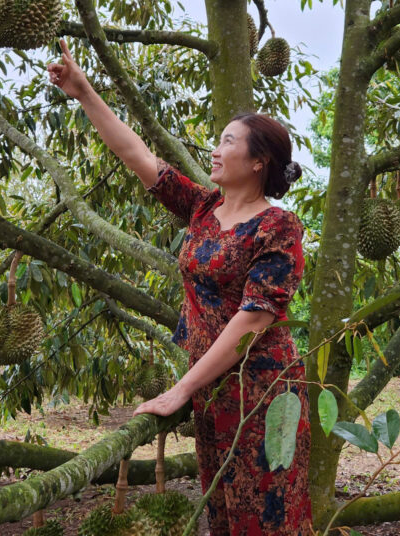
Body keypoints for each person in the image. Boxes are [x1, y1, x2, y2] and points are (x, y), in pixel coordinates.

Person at [47, 40, 312, 536]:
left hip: (261, 388)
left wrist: (180, 391)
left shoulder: (279, 226)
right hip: (211, 385)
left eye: (228, 141)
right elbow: (135, 153)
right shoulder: (203, 208)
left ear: (259, 162)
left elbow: (255, 318)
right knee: (224, 513)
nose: (215, 148)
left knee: (266, 517)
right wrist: (83, 92)